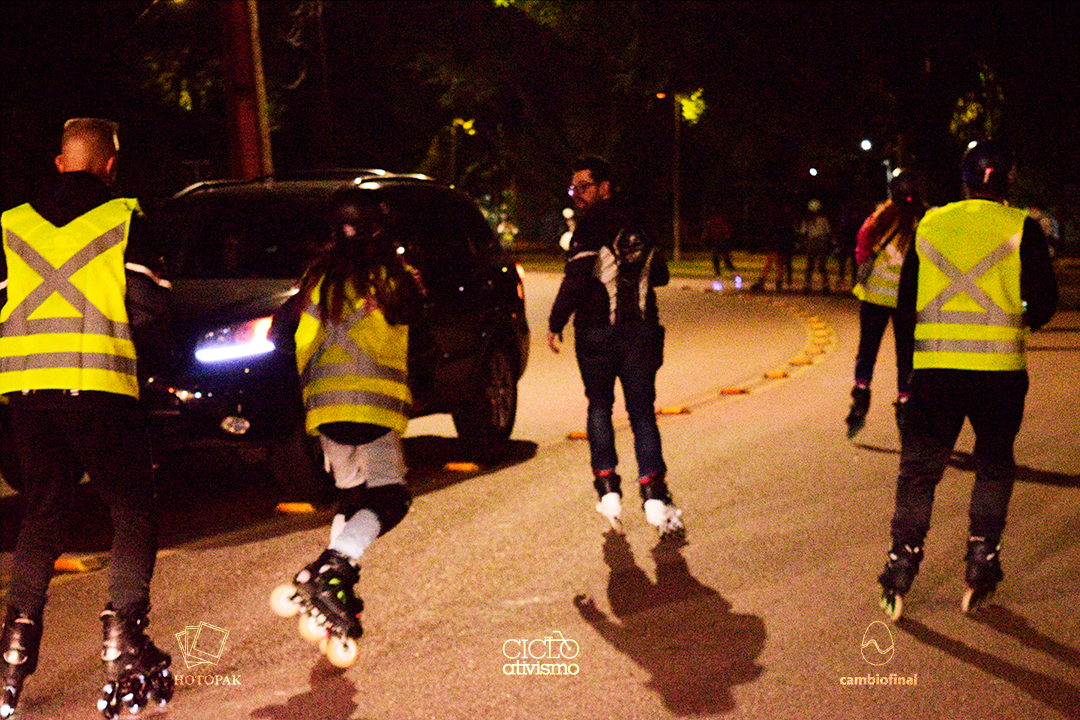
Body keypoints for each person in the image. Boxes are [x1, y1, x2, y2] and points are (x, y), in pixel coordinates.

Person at [0, 118, 174, 718]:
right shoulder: (124, 218)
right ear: (110, 165)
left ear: (59, 162)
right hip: (99, 385)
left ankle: (13, 653)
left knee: (42, 514)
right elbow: (150, 309)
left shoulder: (12, 224)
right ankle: (122, 640)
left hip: (26, 392)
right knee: (132, 507)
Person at [876, 139, 1058, 620]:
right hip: (999, 373)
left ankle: (900, 565)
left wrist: (910, 372)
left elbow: (906, 306)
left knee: (919, 472)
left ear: (964, 179)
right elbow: (1043, 305)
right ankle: (982, 559)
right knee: (993, 466)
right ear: (1008, 181)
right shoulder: (1022, 227)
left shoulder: (931, 224)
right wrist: (1016, 310)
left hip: (935, 372)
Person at [269, 187, 424, 667]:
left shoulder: (317, 279)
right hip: (374, 407)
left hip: (325, 410)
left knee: (353, 500)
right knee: (391, 499)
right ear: (379, 229)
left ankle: (335, 581)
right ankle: (329, 569)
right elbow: (421, 331)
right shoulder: (393, 278)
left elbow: (280, 334)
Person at [547, 156, 683, 535]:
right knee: (642, 413)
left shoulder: (591, 225)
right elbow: (661, 275)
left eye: (584, 187)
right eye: (573, 188)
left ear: (605, 187)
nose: (577, 195)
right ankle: (653, 491)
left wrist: (556, 322)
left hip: (597, 333)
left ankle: (607, 487)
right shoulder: (642, 222)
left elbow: (576, 277)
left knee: (599, 406)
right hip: (641, 332)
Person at [845, 170, 924, 438]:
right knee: (906, 354)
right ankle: (905, 400)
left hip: (874, 296)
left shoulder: (879, 217)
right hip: (906, 299)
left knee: (867, 349)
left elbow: (861, 248)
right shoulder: (923, 222)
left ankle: (861, 392)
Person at [799, 199, 832, 294]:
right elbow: (828, 232)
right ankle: (824, 285)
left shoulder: (809, 220)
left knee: (813, 265)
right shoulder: (821, 220)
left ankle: (809, 285)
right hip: (819, 242)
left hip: (814, 242)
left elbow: (803, 233)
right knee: (819, 265)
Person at [702, 208, 737, 279]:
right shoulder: (713, 222)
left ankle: (731, 272)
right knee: (718, 257)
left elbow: (727, 231)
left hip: (721, 240)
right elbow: (707, 231)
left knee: (723, 257)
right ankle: (721, 272)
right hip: (717, 240)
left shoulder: (717, 221)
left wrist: (727, 238)